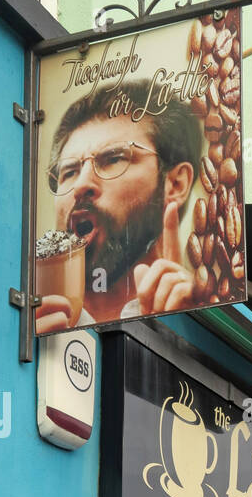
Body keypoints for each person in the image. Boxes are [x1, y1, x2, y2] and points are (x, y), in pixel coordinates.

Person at [36, 81, 203, 331]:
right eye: (69, 171)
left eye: (113, 159)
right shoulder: (19, 313)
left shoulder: (200, 319)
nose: (81, 185)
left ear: (176, 184)